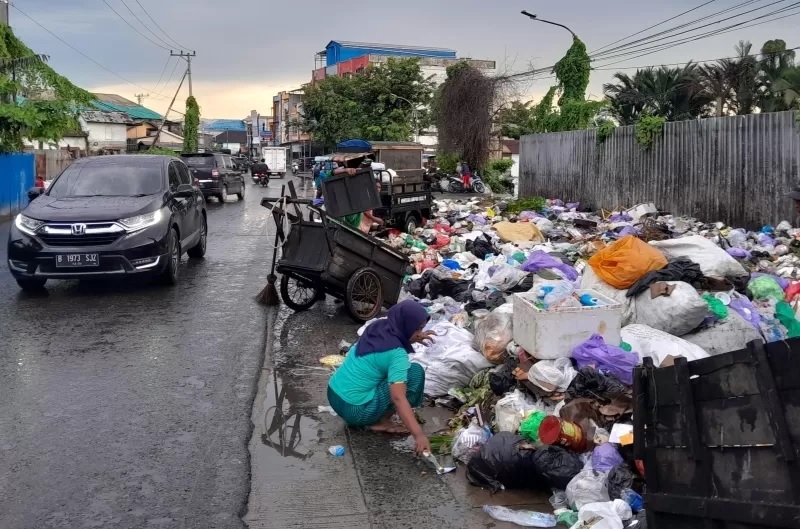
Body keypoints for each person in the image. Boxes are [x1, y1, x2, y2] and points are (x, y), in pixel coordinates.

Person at [327, 300, 435, 455]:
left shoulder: (377, 327)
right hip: (355, 411)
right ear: (405, 325)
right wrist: (419, 435)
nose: (420, 333)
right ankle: (382, 422)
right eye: (417, 329)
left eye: (422, 328)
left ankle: (376, 417)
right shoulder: (397, 354)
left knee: (390, 375)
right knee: (414, 373)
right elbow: (398, 398)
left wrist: (414, 335)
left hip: (334, 394)